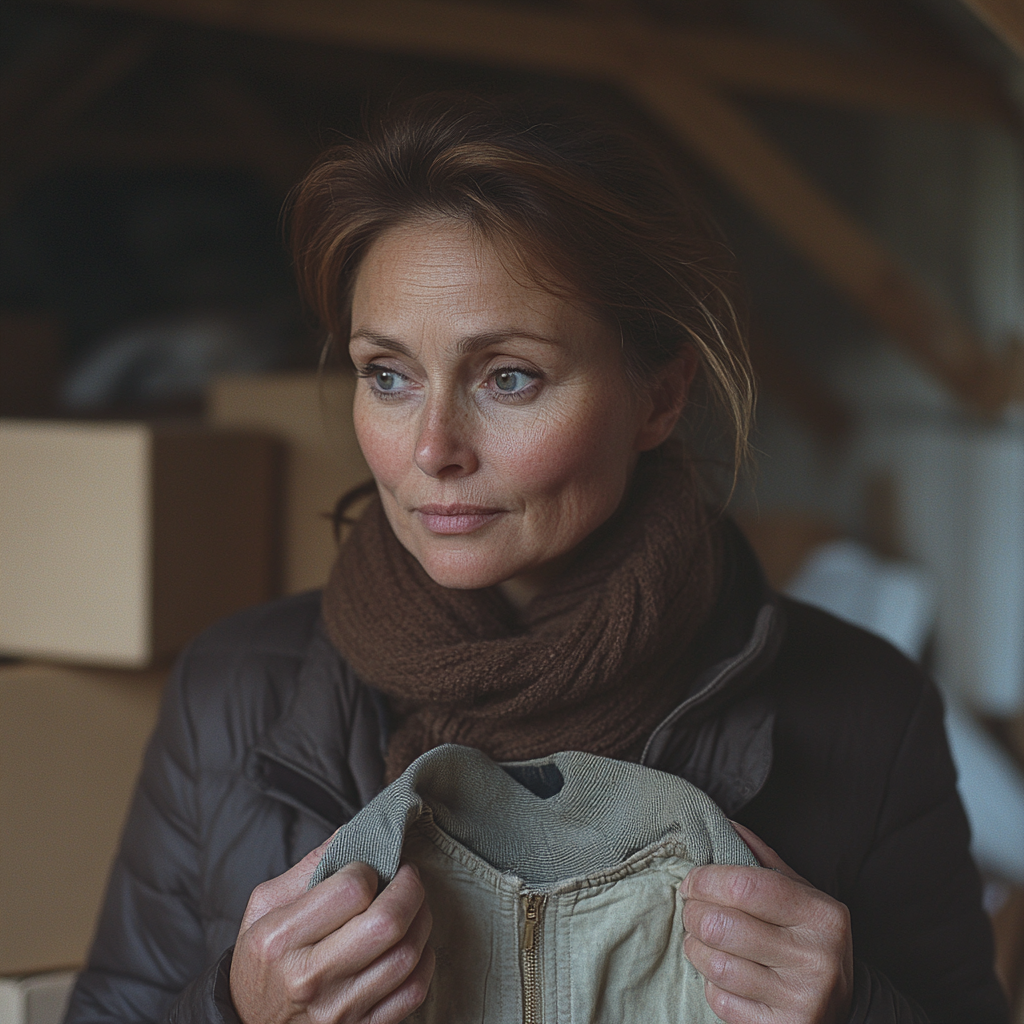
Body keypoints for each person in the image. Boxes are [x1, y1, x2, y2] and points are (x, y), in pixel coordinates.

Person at [64, 94, 1007, 1024]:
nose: (432, 447)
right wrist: (236, 1013)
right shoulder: (235, 692)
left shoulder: (865, 712)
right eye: (387, 376)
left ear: (660, 397)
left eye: (508, 376)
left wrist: (854, 1013)